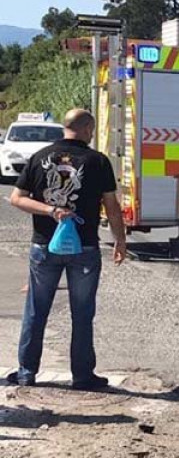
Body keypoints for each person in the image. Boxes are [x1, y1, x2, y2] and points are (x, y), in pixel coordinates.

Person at [6, 109, 127, 390]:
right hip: (84, 247)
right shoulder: (97, 161)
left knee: (36, 309)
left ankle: (26, 371)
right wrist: (119, 239)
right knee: (82, 313)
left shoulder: (39, 157)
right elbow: (111, 205)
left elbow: (16, 198)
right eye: (93, 131)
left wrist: (49, 210)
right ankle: (83, 375)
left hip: (44, 245)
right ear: (87, 130)